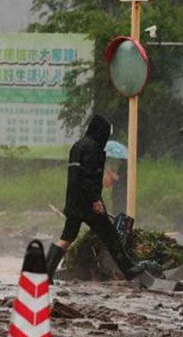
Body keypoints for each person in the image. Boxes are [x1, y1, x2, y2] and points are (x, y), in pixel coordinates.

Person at [44, 115, 156, 280]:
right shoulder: (93, 148)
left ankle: (45, 274)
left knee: (66, 237)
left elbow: (77, 177)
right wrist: (95, 200)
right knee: (111, 236)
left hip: (74, 202)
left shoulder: (77, 146)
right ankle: (129, 270)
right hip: (88, 204)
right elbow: (89, 177)